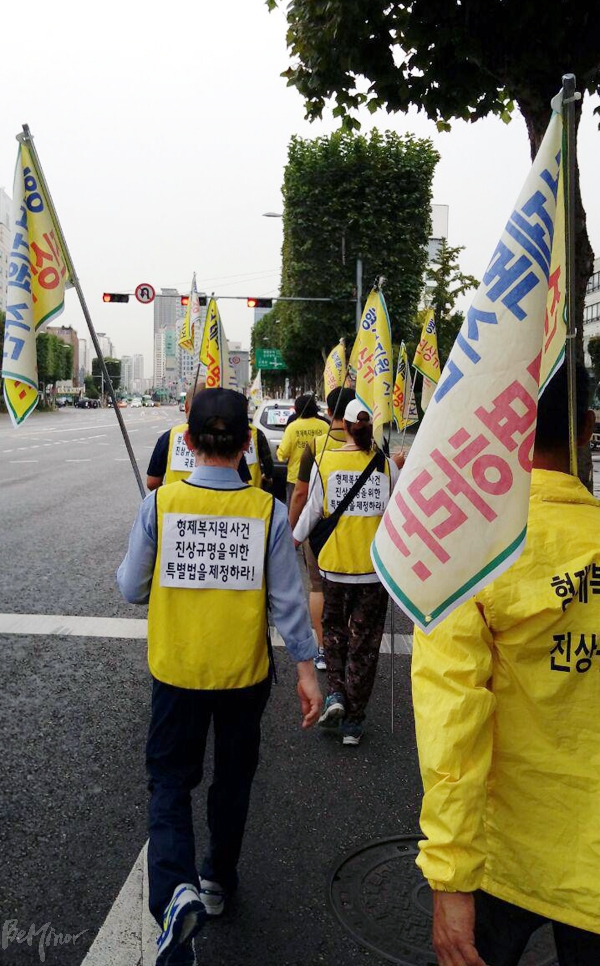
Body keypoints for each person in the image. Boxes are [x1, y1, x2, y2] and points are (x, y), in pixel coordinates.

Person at [117, 388, 322, 966]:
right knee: (232, 780)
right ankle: (215, 880)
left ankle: (173, 890)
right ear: (247, 445)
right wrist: (307, 672)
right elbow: (289, 603)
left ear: (186, 442)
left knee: (169, 782)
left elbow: (131, 588)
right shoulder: (268, 512)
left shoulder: (160, 505)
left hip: (176, 672)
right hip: (242, 677)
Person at [411, 362, 600, 966]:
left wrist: (450, 877)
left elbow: (452, 730)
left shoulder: (470, 554)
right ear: (587, 428)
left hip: (501, 855)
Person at [293, 399, 400, 746]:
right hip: (373, 572)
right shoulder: (387, 466)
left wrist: (289, 543)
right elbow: (397, 515)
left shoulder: (325, 461)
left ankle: (336, 694)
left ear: (346, 427)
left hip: (334, 569)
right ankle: (353, 721)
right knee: (365, 645)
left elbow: (311, 512)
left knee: (334, 635)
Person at [289, 386, 357, 671]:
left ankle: (323, 648)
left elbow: (300, 493)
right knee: (354, 590)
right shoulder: (371, 443)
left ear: (328, 412)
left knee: (318, 586)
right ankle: (351, 645)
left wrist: (292, 529)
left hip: (320, 530)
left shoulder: (317, 445)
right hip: (359, 529)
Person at [146, 384, 251, 490]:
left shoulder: (169, 436)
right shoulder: (232, 439)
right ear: (247, 441)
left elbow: (152, 482)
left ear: (188, 440)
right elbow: (244, 482)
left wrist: (168, 494)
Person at [276, 394, 329, 506]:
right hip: (320, 476)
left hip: (296, 477)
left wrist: (279, 453)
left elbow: (283, 453)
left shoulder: (292, 427)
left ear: (297, 409)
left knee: (295, 509)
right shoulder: (325, 426)